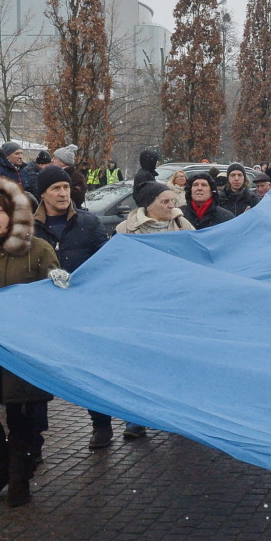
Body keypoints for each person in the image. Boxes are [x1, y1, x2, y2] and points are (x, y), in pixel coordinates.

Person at [0, 177, 60, 506]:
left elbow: (56, 298)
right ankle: (1, 466)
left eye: (0, 211)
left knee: (23, 417)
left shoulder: (39, 250)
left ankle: (20, 475)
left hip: (23, 348)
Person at [32, 166, 111, 448]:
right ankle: (33, 440)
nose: (63, 193)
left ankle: (101, 424)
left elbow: (105, 263)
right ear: (42, 194)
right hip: (46, 312)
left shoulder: (88, 223)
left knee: (91, 369)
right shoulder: (29, 227)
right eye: (56, 188)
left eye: (66, 188)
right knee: (37, 374)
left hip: (83, 310)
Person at [115, 181, 192, 440]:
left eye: (173, 201)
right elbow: (118, 267)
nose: (172, 206)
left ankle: (179, 415)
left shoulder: (182, 225)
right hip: (141, 308)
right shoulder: (126, 230)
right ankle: (136, 418)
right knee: (140, 365)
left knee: (177, 362)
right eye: (165, 202)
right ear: (149, 205)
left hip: (177, 307)